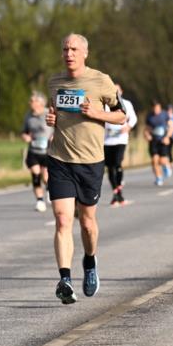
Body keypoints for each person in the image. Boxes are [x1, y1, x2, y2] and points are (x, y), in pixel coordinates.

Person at [45, 33, 126, 304]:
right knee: (62, 219)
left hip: (90, 162)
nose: (69, 53)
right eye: (65, 48)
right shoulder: (54, 82)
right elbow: (55, 113)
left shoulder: (101, 81)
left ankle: (90, 262)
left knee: (88, 223)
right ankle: (65, 279)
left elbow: (122, 115)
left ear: (85, 53)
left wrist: (97, 114)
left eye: (74, 49)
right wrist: (52, 118)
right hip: (60, 159)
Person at [103, 84, 136, 206]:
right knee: (110, 167)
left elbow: (133, 118)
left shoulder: (126, 104)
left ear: (121, 91)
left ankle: (119, 188)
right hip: (107, 140)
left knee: (117, 163)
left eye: (117, 90)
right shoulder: (105, 105)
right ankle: (116, 192)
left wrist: (128, 127)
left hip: (121, 139)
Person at [21, 91, 52, 212]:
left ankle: (50, 189)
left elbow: (57, 128)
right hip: (33, 150)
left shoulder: (48, 113)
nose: (30, 103)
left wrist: (54, 137)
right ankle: (40, 200)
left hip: (47, 150)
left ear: (40, 103)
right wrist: (25, 137)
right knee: (35, 174)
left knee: (46, 176)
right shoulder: (28, 115)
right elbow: (24, 131)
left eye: (32, 100)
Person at [144, 100, 173, 187]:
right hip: (154, 141)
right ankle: (158, 178)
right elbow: (146, 129)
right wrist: (147, 135)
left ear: (160, 107)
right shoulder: (149, 116)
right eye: (154, 108)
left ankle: (166, 166)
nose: (155, 110)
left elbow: (171, 127)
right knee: (154, 160)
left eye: (157, 108)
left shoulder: (165, 115)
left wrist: (167, 137)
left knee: (162, 160)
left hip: (163, 140)